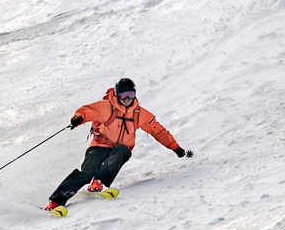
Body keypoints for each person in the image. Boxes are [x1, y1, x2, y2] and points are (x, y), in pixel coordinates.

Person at [45, 78, 192, 212]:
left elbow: (158, 131)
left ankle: (99, 183)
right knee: (86, 173)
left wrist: (175, 148)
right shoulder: (107, 107)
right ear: (117, 95)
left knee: (122, 149)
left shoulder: (139, 114)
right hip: (100, 145)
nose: (127, 99)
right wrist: (79, 118)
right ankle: (56, 201)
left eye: (130, 94)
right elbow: (89, 110)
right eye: (123, 95)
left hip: (121, 149)